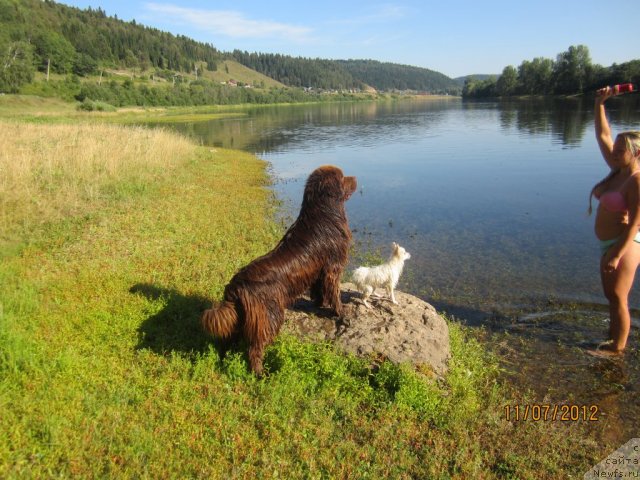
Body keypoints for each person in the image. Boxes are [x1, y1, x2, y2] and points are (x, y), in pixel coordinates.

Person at [588, 85, 640, 357]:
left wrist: (617, 254)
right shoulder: (618, 170)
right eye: (616, 148)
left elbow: (635, 224)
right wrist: (599, 103)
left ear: (637, 153)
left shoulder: (636, 180)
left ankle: (617, 351)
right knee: (611, 296)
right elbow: (603, 134)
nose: (615, 152)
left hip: (626, 243)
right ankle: (612, 337)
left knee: (619, 296)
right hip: (609, 243)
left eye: (621, 150)